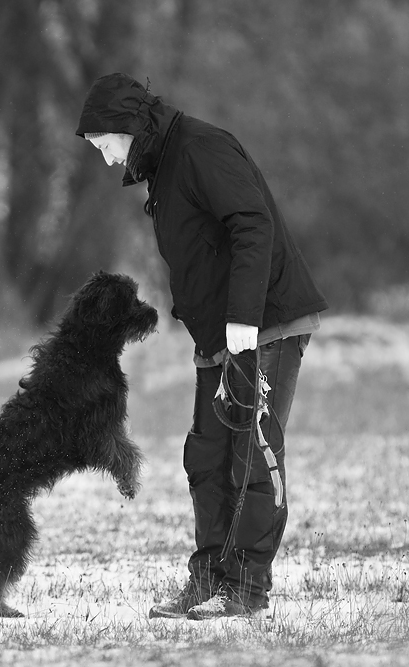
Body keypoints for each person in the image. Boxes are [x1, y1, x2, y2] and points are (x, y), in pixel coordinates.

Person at [76, 73, 328, 620]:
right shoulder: (166, 164)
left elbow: (252, 225)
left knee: (250, 456)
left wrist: (243, 321)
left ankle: (246, 589)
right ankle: (210, 578)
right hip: (219, 337)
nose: (104, 157)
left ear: (127, 127)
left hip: (264, 326)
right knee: (207, 457)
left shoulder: (200, 147)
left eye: (103, 144)